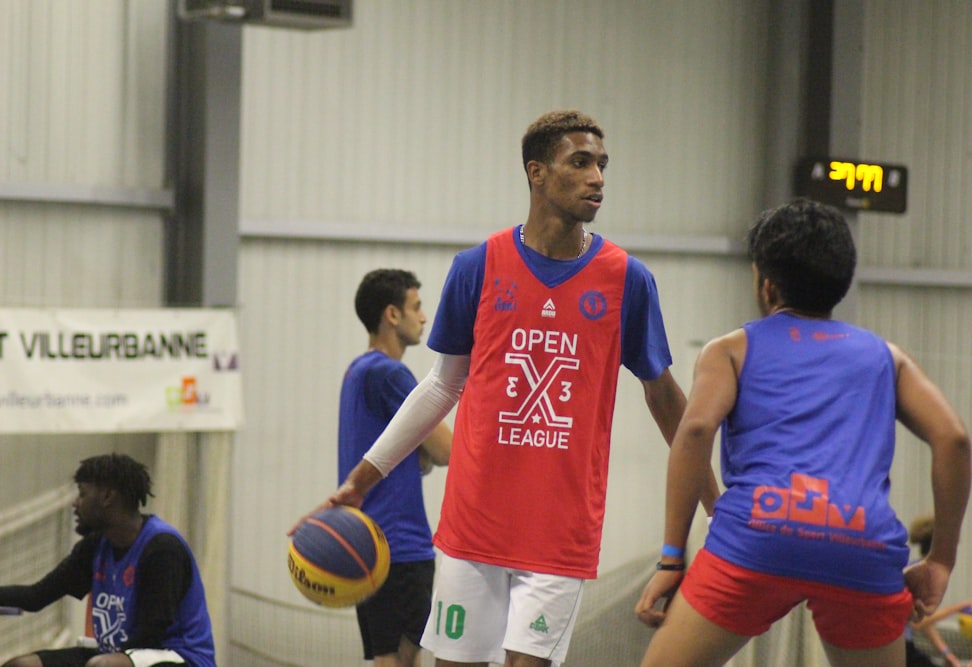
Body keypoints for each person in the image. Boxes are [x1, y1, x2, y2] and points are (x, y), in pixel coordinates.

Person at [300, 109, 718, 667]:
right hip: (474, 523)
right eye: (581, 162)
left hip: (560, 530)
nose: (598, 177)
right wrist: (360, 480)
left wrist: (718, 501)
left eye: (602, 164)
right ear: (537, 172)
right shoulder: (478, 266)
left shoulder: (626, 279)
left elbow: (665, 399)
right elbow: (441, 386)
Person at [635, 198, 972, 667]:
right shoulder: (886, 357)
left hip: (759, 535)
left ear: (766, 284)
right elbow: (953, 439)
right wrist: (941, 559)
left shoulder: (731, 350)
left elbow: (694, 432)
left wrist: (672, 558)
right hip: (861, 545)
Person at [0, 453, 215, 667]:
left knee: (104, 665)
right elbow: (35, 597)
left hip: (179, 657)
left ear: (107, 497)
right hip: (119, 654)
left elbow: (150, 635)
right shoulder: (94, 547)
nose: (75, 503)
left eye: (82, 494)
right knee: (22, 665)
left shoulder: (162, 549)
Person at [338, 268, 452, 667]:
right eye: (416, 307)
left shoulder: (357, 370)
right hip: (400, 545)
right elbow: (446, 450)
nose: (423, 317)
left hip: (365, 542)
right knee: (402, 661)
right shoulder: (391, 373)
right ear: (391, 314)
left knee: (386, 658)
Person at [906, 516, 960, 667]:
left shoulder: (915, 568)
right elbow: (918, 623)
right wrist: (960, 608)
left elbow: (925, 622)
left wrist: (946, 653)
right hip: (900, 645)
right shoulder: (923, 575)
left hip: (906, 646)